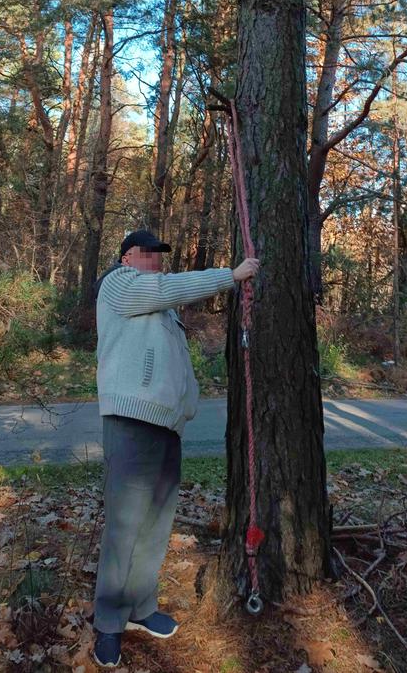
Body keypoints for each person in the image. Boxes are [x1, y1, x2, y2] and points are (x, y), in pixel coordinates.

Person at [92, 229, 260, 668]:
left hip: (167, 427)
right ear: (128, 256)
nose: (156, 261)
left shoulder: (164, 313)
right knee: (125, 527)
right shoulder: (119, 284)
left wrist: (187, 405)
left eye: (160, 255)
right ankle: (108, 623)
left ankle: (141, 608)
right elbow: (170, 287)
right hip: (131, 419)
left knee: (155, 524)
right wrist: (232, 275)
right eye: (149, 254)